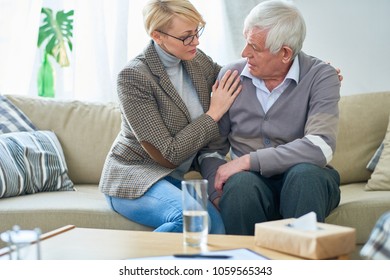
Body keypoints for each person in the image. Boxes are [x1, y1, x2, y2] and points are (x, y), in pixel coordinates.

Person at [199, 0, 342, 235]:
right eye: (246, 41)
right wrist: (216, 190)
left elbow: (320, 146)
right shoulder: (231, 75)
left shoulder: (321, 76)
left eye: (254, 47)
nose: (244, 53)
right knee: (240, 186)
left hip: (307, 181)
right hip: (250, 184)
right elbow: (211, 150)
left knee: (304, 176)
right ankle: (250, 268)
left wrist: (247, 161)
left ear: (285, 53)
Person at [99, 0, 242, 234]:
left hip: (170, 179)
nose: (195, 41)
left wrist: (309, 72)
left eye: (197, 31)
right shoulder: (133, 77)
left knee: (217, 228)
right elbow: (169, 153)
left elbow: (233, 78)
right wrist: (213, 113)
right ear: (158, 35)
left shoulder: (195, 59)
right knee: (192, 220)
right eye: (186, 36)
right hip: (133, 178)